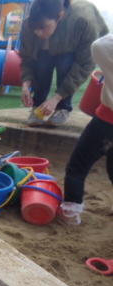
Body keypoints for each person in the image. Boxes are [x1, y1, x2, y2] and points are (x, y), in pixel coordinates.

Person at [19, 0, 108, 127]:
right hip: (47, 51)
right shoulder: (29, 25)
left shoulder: (82, 21)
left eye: (43, 27)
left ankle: (62, 108)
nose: (38, 32)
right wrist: (25, 84)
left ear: (60, 16)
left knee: (65, 63)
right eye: (35, 28)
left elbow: (84, 65)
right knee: (41, 64)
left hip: (75, 46)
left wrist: (56, 98)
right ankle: (38, 106)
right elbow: (27, 59)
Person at [57, 34, 113, 225]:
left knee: (77, 168)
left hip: (106, 122)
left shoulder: (107, 49)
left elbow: (101, 44)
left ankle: (71, 214)